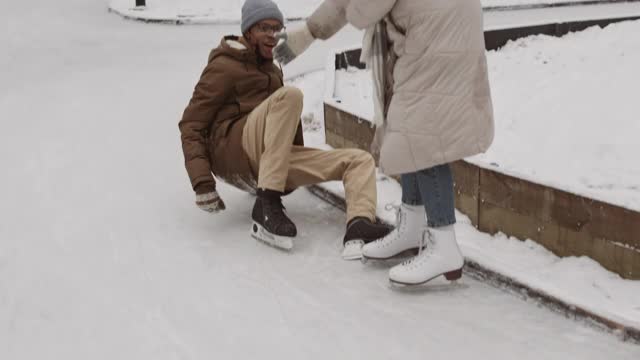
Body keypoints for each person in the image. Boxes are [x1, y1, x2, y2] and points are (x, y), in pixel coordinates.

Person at [274, 0, 494, 285]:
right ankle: (413, 227)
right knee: (410, 136)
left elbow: (364, 8)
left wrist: (310, 32)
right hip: (443, 29)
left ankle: (444, 245)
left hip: (435, 39)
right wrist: (309, 31)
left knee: (424, 139)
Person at [179, 0, 391, 256]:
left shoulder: (272, 68)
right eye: (264, 28)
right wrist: (203, 184)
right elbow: (192, 123)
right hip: (234, 152)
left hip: (268, 162)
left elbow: (281, 126)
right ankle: (266, 203)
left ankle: (360, 225)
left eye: (277, 28)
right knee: (290, 96)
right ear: (248, 32)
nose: (272, 35)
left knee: (359, 159)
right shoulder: (225, 64)